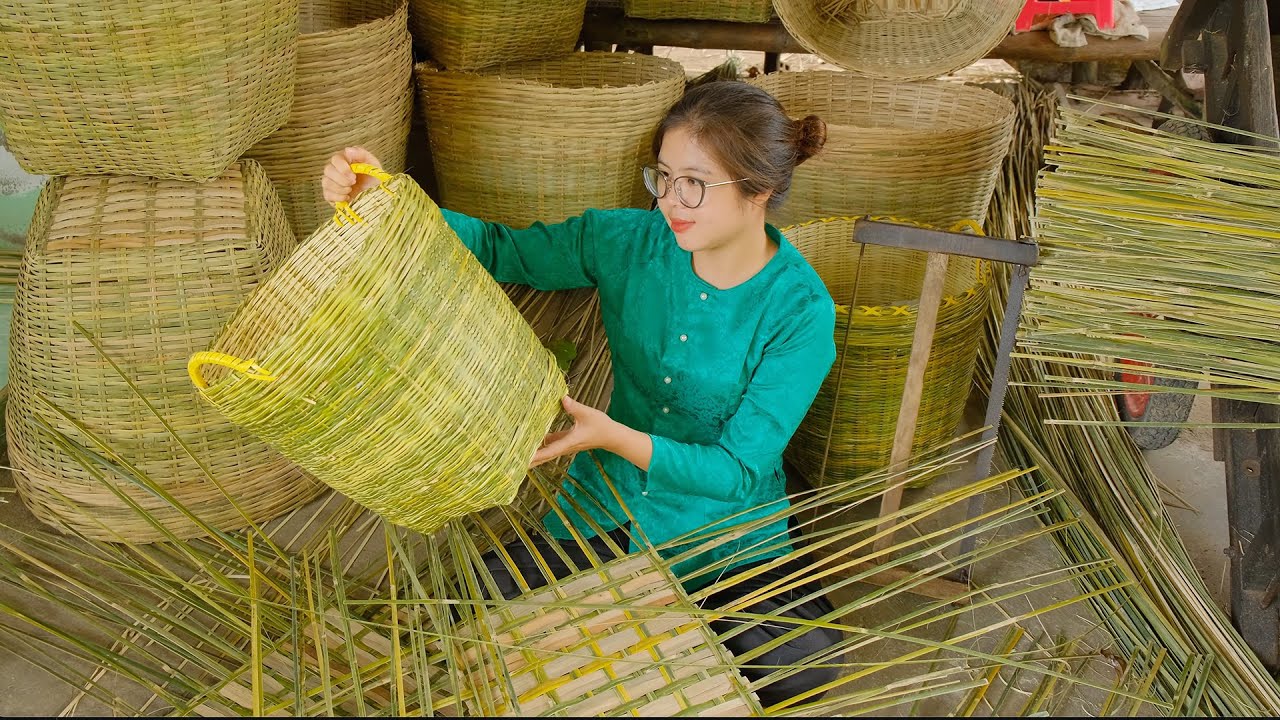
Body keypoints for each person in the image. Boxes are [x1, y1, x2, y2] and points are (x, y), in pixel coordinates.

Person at [322, 80, 841, 706]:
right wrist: (389, 198)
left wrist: (611, 437)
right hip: (605, 507)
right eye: (664, 177)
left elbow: (735, 472)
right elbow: (498, 249)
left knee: (802, 671)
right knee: (460, 610)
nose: (672, 202)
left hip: (720, 537)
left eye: (696, 184)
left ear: (758, 190)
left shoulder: (801, 311)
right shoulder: (624, 241)